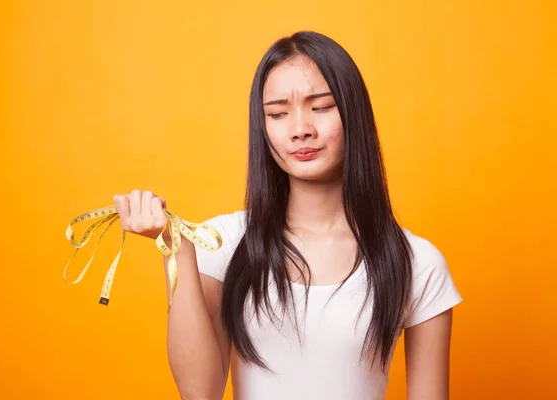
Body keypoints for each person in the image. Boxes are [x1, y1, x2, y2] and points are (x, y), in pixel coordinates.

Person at [112, 30, 462, 400]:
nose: (300, 130)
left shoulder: (417, 262)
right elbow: (199, 392)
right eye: (278, 114)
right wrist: (177, 250)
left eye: (322, 107)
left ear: (354, 114)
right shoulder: (222, 243)